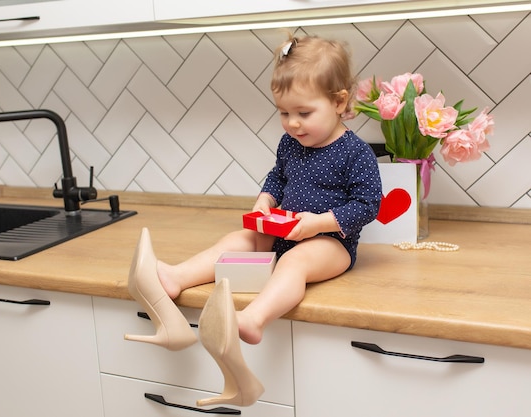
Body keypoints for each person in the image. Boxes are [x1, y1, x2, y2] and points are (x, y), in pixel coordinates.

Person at [125, 35, 382, 407]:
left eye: (304, 113)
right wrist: (265, 202)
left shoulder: (355, 152)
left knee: (295, 261)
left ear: (339, 102)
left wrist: (318, 224)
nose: (292, 123)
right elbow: (279, 177)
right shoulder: (291, 143)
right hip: (282, 230)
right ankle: (175, 277)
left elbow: (367, 205)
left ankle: (254, 319)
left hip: (332, 243)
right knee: (239, 237)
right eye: (283, 112)